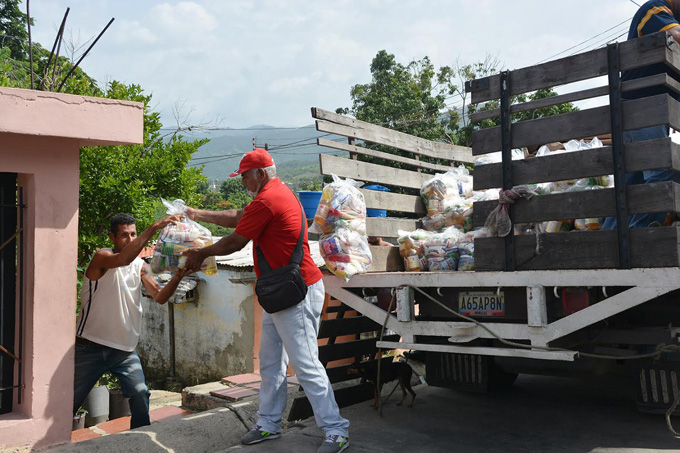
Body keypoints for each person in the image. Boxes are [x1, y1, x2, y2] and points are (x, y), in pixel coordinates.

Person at [182, 148, 350, 453]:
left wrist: (200, 252)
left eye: (245, 176)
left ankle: (336, 430)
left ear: (260, 173)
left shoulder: (269, 199)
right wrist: (197, 214)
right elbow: (238, 218)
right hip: (281, 291)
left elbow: (236, 240)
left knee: (305, 364)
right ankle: (269, 424)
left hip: (294, 292)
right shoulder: (276, 193)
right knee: (272, 362)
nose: (243, 182)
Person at [74, 213, 192, 429]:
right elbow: (123, 259)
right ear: (112, 237)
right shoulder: (102, 257)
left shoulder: (141, 266)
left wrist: (178, 276)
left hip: (123, 349)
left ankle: (141, 440)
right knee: (67, 404)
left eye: (133, 234)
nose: (129, 239)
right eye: (123, 235)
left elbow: (160, 296)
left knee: (140, 394)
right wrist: (155, 226)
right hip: (89, 347)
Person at [603, 0, 680, 229]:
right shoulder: (656, 9)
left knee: (630, 188)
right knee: (663, 174)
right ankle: (638, 240)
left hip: (647, 113)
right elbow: (676, 34)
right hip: (641, 109)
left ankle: (607, 243)